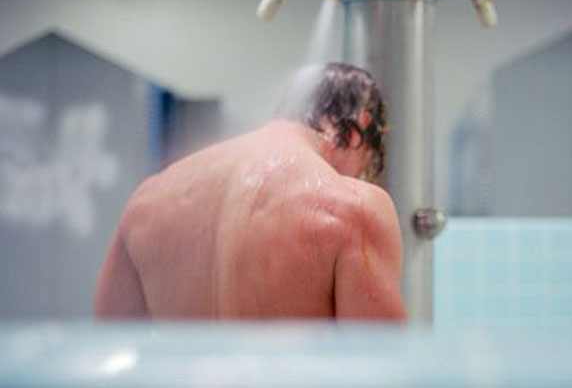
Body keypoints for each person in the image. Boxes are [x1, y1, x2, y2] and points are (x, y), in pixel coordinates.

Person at [95, 63, 406, 320]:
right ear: (358, 129)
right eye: (363, 165)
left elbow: (108, 350)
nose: (355, 177)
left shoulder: (148, 199)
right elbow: (382, 370)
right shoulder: (354, 207)